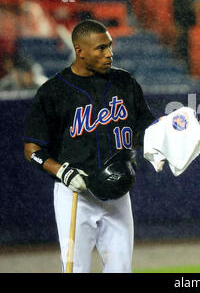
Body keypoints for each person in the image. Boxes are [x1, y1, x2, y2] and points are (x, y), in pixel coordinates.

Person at [23, 19, 156, 272]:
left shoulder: (124, 82)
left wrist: (165, 133)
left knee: (121, 269)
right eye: (101, 48)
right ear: (80, 51)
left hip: (118, 193)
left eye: (110, 46)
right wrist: (61, 171)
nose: (109, 54)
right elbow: (33, 151)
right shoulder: (53, 91)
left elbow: (143, 127)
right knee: (76, 270)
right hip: (76, 194)